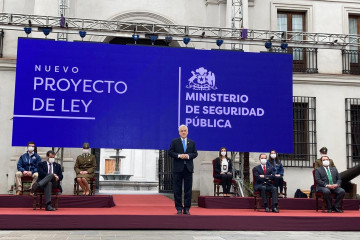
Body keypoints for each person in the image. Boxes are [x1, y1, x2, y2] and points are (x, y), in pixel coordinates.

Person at [168, 124, 198, 215]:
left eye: (185, 131)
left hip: (188, 169)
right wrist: (179, 156)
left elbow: (195, 153)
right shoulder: (174, 142)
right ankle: (179, 208)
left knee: (188, 190)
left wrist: (188, 156)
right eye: (182, 131)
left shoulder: (192, 142)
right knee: (177, 189)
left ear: (187, 132)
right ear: (179, 132)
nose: (183, 132)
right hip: (178, 169)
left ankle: (187, 208)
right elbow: (170, 152)